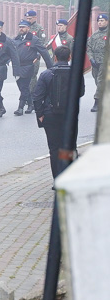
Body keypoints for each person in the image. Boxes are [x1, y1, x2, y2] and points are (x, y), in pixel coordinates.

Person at [32, 46, 85, 178]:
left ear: (54, 57)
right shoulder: (76, 74)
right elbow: (81, 92)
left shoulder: (46, 74)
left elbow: (37, 97)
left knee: (54, 148)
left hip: (50, 115)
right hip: (69, 116)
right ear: (70, 57)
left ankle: (58, 178)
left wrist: (40, 115)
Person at [12, 20, 53, 116]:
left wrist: (50, 66)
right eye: (20, 27)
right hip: (17, 67)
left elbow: (43, 51)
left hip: (28, 66)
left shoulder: (34, 39)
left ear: (28, 28)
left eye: (23, 27)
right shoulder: (16, 39)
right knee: (21, 87)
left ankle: (20, 108)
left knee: (24, 87)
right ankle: (31, 104)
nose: (21, 29)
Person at [86, 12, 107, 112]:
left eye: (102, 21)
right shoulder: (94, 35)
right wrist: (91, 58)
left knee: (100, 81)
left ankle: (96, 102)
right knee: (97, 81)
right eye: (98, 21)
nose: (100, 22)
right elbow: (89, 48)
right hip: (95, 62)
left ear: (107, 22)